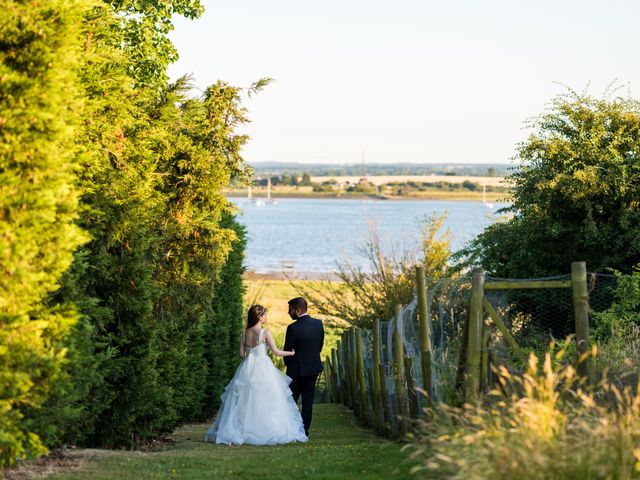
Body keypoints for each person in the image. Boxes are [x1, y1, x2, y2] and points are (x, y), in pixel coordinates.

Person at [204, 305, 307, 445]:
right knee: (268, 397)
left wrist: (250, 354)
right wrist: (292, 353)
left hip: (247, 367)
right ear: (259, 316)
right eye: (264, 314)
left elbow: (242, 354)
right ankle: (266, 428)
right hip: (263, 366)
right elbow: (276, 352)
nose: (266, 317)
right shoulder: (265, 332)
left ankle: (245, 427)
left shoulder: (244, 333)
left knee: (245, 399)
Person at [283, 297, 325, 437]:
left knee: (290, 400)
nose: (289, 313)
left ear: (298, 310)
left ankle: (290, 429)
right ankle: (304, 431)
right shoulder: (318, 324)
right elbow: (319, 346)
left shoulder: (293, 328)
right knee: (308, 402)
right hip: (313, 368)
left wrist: (289, 366)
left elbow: (287, 351)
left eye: (290, 310)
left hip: (295, 371)